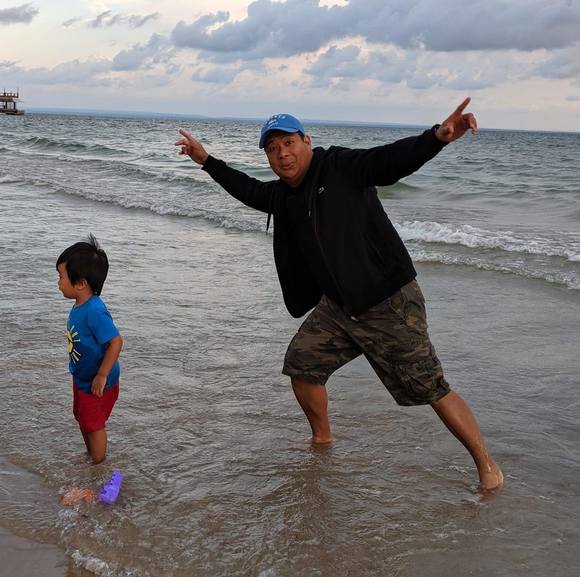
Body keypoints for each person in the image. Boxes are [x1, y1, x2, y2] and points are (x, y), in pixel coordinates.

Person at [175, 98, 503, 491]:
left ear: (307, 141)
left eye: (289, 143)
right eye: (272, 149)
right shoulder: (283, 195)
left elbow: (390, 161)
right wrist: (206, 161)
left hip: (388, 302)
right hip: (339, 309)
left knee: (430, 387)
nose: (282, 154)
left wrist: (437, 137)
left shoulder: (341, 166)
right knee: (302, 366)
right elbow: (249, 190)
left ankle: (487, 467)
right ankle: (322, 439)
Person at [56, 234, 123, 464]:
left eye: (61, 276)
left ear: (81, 283)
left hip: (98, 382)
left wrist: (102, 375)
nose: (58, 282)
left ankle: (99, 465)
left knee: (94, 425)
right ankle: (91, 455)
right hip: (83, 377)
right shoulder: (80, 305)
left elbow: (116, 342)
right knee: (83, 418)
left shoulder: (94, 311)